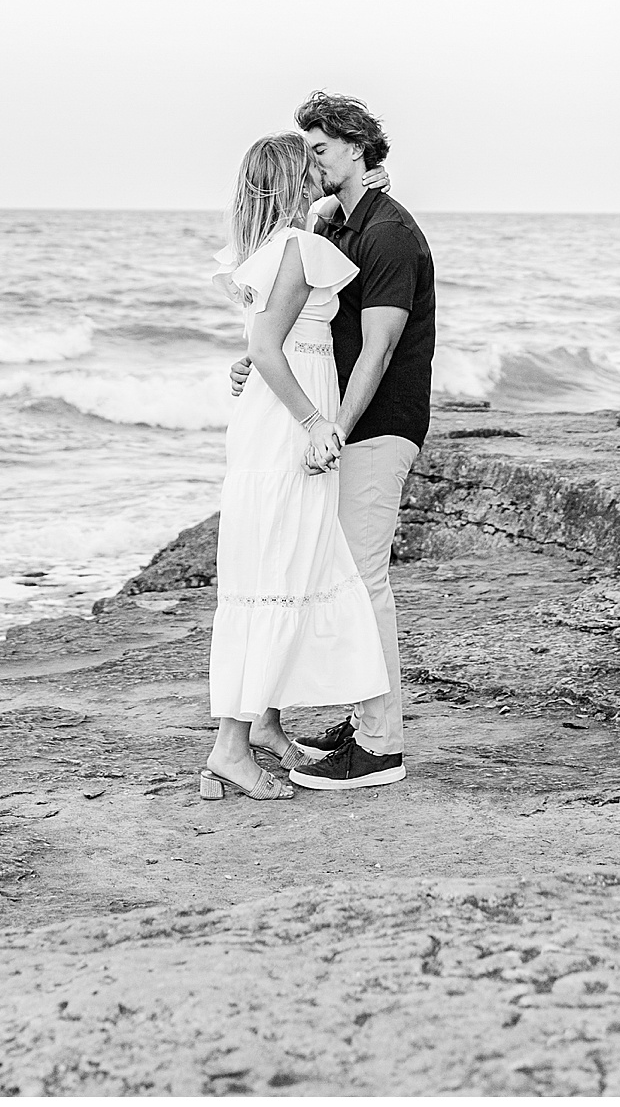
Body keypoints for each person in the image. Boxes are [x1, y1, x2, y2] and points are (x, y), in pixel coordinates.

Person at [234, 92, 437, 793]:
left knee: (361, 578)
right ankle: (357, 724)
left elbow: (378, 349)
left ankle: (380, 747)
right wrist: (259, 361)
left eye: (319, 149)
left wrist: (334, 430)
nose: (309, 161)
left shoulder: (386, 233)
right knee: (332, 575)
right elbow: (304, 318)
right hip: (348, 424)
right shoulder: (339, 223)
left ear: (357, 149)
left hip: (378, 424)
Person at [201, 132, 389, 803]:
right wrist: (316, 424)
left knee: (283, 565)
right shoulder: (295, 249)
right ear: (291, 179)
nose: (321, 170)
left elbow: (265, 345)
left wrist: (254, 366)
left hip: (274, 412)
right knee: (278, 568)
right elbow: (267, 344)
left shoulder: (283, 243)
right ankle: (229, 747)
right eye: (310, 163)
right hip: (290, 425)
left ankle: (267, 727)